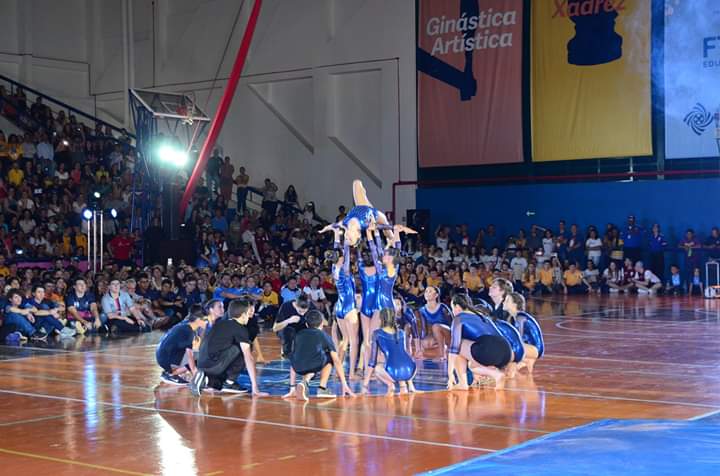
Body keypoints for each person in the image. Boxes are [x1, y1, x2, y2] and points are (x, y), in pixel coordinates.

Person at [192, 299, 268, 396]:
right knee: (244, 348)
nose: (249, 317)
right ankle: (229, 382)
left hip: (202, 363)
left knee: (231, 349)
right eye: (248, 313)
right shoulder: (240, 329)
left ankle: (208, 380)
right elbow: (248, 358)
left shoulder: (221, 323)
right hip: (213, 365)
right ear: (243, 314)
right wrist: (255, 387)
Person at [282, 310, 354, 401]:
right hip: (314, 364)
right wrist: (344, 384)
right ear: (321, 324)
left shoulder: (299, 334)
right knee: (329, 357)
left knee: (300, 358)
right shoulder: (323, 335)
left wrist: (292, 387)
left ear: (307, 325)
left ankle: (303, 383)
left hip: (298, 367)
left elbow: (293, 357)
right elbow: (337, 361)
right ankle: (322, 388)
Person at [447, 294, 512, 390]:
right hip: (506, 352)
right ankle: (493, 372)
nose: (453, 312)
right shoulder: (481, 315)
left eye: (452, 308)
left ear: (457, 307)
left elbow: (454, 349)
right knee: (472, 365)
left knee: (459, 345)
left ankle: (463, 383)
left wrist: (450, 374)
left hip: (490, 349)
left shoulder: (459, 318)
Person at [362, 308, 418, 396]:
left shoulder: (377, 333)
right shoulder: (401, 332)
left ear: (381, 319)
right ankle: (404, 386)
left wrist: (365, 385)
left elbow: (372, 361)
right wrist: (411, 385)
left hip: (395, 371)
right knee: (401, 361)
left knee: (377, 368)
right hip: (411, 369)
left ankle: (390, 385)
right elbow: (405, 354)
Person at [330, 228, 360, 379]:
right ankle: (352, 373)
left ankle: (338, 371)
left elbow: (337, 251)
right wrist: (348, 240)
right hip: (349, 308)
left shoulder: (334, 268)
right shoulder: (344, 269)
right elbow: (345, 254)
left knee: (345, 340)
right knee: (354, 341)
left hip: (340, 307)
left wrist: (336, 234)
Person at [156, 305, 207, 385]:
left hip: (162, 357)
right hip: (166, 359)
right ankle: (172, 374)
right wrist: (197, 377)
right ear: (198, 320)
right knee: (200, 357)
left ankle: (171, 370)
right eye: (205, 320)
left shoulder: (186, 325)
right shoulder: (189, 332)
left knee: (198, 352)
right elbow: (190, 356)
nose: (207, 323)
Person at [503, 293, 542, 374]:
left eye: (507, 301)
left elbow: (518, 339)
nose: (503, 302)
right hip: (528, 346)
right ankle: (526, 360)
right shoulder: (512, 317)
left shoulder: (520, 318)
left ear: (514, 304)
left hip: (535, 349)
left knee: (508, 348)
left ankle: (523, 361)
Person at [418, 286, 452, 359]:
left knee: (436, 326)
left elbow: (452, 323)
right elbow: (424, 328)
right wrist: (421, 343)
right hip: (435, 335)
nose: (427, 293)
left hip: (447, 333)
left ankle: (442, 354)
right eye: (426, 291)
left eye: (430, 291)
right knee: (426, 343)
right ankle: (439, 349)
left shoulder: (443, 307)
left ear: (436, 295)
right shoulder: (422, 310)